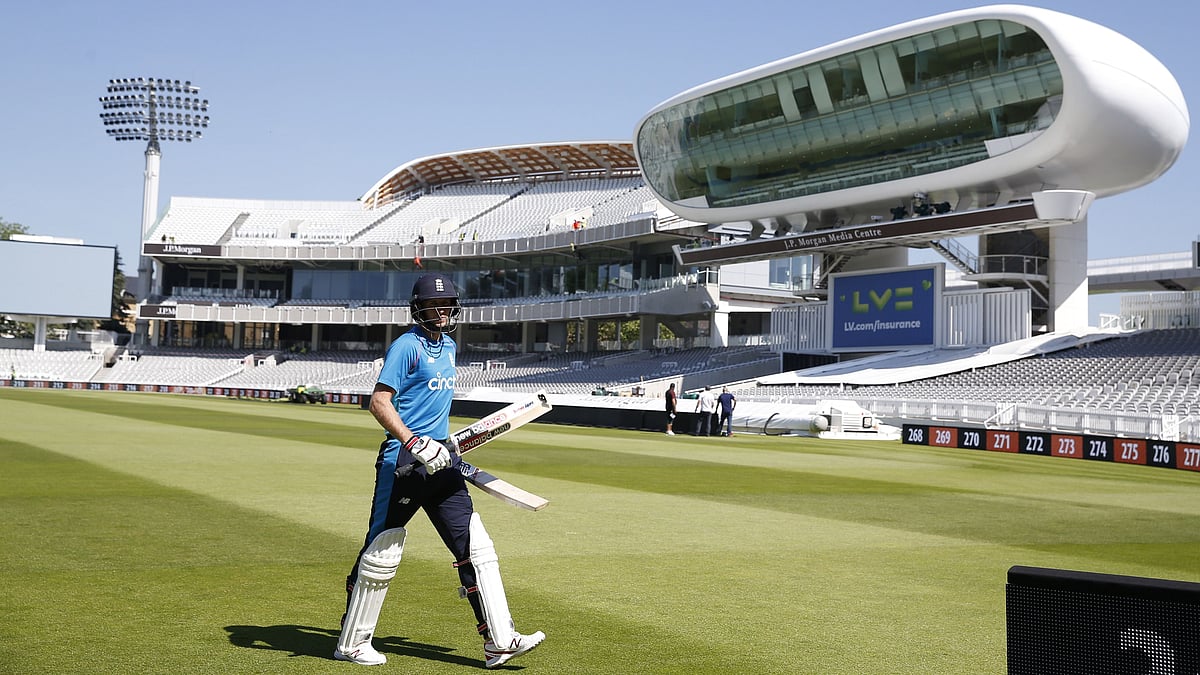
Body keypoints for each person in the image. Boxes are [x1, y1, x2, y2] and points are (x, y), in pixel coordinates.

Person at [336, 272, 544, 668]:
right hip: (404, 462)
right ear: (418, 309)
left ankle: (499, 641)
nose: (441, 311)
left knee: (476, 548)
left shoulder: (449, 345)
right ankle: (351, 641)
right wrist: (414, 442)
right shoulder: (405, 347)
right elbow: (379, 403)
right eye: (433, 305)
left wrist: (441, 446)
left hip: (443, 460)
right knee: (381, 550)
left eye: (446, 304)